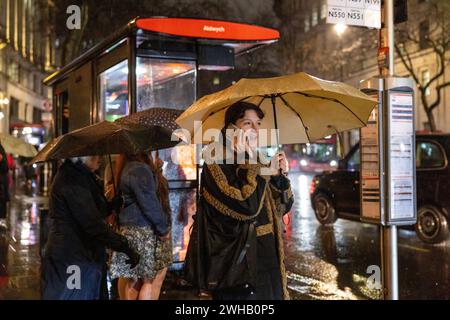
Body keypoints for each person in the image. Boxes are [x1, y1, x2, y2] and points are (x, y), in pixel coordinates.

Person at [184, 101, 294, 300]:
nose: (255, 130)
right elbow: (246, 207)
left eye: (258, 124)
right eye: (247, 123)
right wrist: (256, 167)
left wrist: (279, 176)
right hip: (237, 260)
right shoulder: (216, 159)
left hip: (268, 255)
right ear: (231, 128)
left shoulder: (257, 157)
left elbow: (282, 207)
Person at [41, 156, 140, 300]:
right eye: (94, 155)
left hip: (83, 254)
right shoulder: (71, 180)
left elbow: (93, 211)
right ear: (82, 159)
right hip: (72, 256)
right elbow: (92, 223)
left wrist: (111, 205)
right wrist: (123, 245)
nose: (99, 158)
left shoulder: (83, 176)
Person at [110, 152, 172, 300]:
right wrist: (163, 229)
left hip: (128, 230)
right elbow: (150, 204)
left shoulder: (125, 167)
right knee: (147, 281)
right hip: (142, 231)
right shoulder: (139, 169)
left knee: (131, 279)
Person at [0, 143, 10, 229]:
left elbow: (5, 168)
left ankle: (2, 219)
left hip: (1, 183)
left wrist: (2, 159)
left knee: (1, 200)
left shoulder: (1, 150)